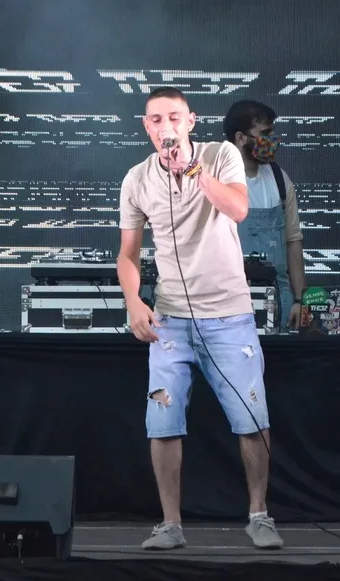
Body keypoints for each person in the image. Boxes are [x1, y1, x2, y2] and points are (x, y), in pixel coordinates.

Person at [116, 87, 283, 551]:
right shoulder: (137, 179)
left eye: (174, 117)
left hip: (229, 315)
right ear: (146, 126)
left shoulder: (221, 155)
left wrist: (192, 171)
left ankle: (259, 515)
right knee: (163, 421)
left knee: (251, 418)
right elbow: (128, 254)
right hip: (171, 319)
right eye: (156, 120)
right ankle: (170, 524)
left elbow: (238, 208)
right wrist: (133, 301)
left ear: (190, 122)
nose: (165, 127)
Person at [223, 100, 304, 331]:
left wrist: (300, 300)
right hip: (229, 303)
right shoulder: (216, 181)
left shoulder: (279, 179)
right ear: (240, 138)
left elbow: (293, 242)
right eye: (265, 134)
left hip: (280, 299)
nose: (272, 141)